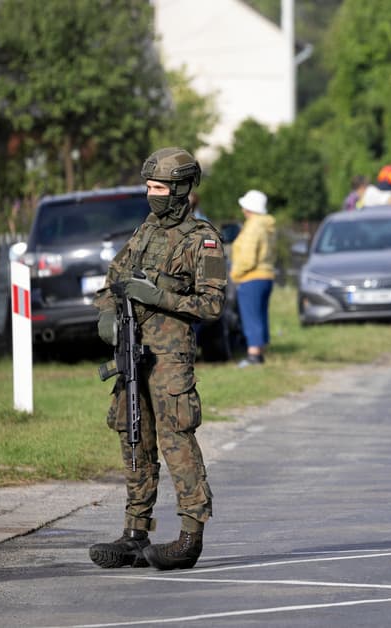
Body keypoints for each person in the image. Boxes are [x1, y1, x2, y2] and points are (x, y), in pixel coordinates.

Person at [88, 147, 226, 571]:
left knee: (176, 441)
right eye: (149, 186)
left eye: (160, 187)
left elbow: (212, 305)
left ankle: (190, 535)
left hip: (170, 357)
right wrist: (108, 313)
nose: (152, 194)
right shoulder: (145, 230)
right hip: (133, 351)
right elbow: (113, 281)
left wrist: (160, 297)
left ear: (182, 188)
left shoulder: (201, 239)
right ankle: (135, 530)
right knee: (134, 437)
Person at [231, 189, 277, 367]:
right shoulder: (267, 225)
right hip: (266, 274)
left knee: (251, 316)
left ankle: (253, 355)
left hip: (251, 276)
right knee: (261, 314)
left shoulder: (253, 226)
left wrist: (235, 273)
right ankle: (260, 351)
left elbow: (248, 257)